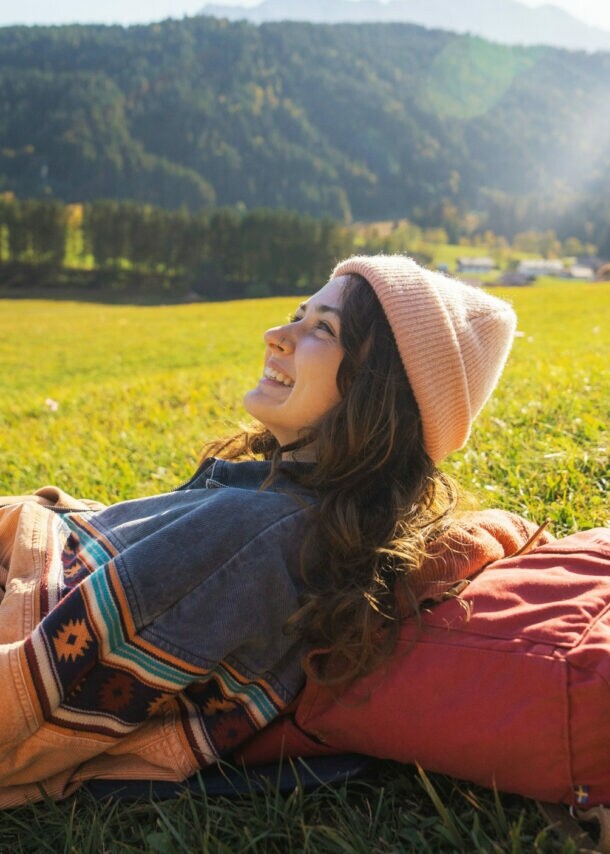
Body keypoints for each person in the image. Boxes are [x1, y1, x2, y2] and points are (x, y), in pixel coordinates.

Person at [0, 254, 549, 806]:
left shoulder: (259, 535)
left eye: (323, 329)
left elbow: (32, 697)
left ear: (378, 392)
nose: (276, 335)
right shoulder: (298, 511)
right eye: (297, 314)